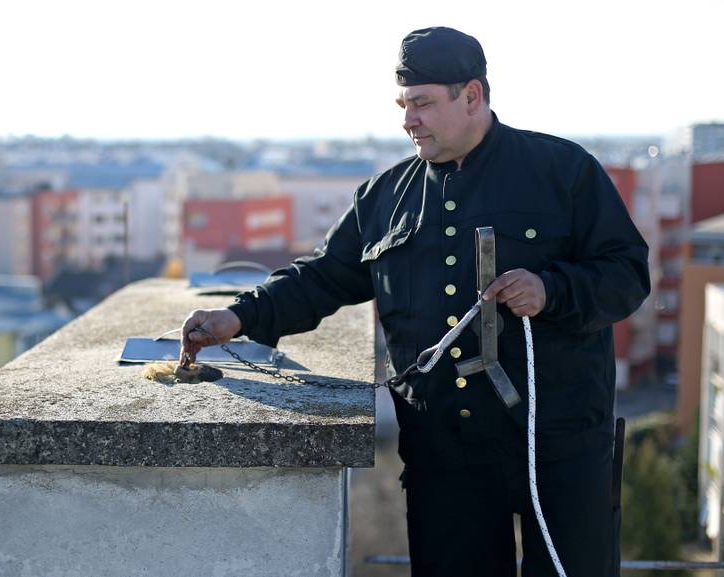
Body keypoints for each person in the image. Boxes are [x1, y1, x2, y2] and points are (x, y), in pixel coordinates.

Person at [180, 26, 650, 577]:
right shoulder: (384, 196)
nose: (408, 120)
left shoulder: (562, 171)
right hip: (444, 456)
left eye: (422, 103)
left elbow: (627, 272)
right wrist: (237, 317)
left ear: (471, 95)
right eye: (404, 105)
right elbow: (323, 278)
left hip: (558, 447)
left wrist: (552, 290)